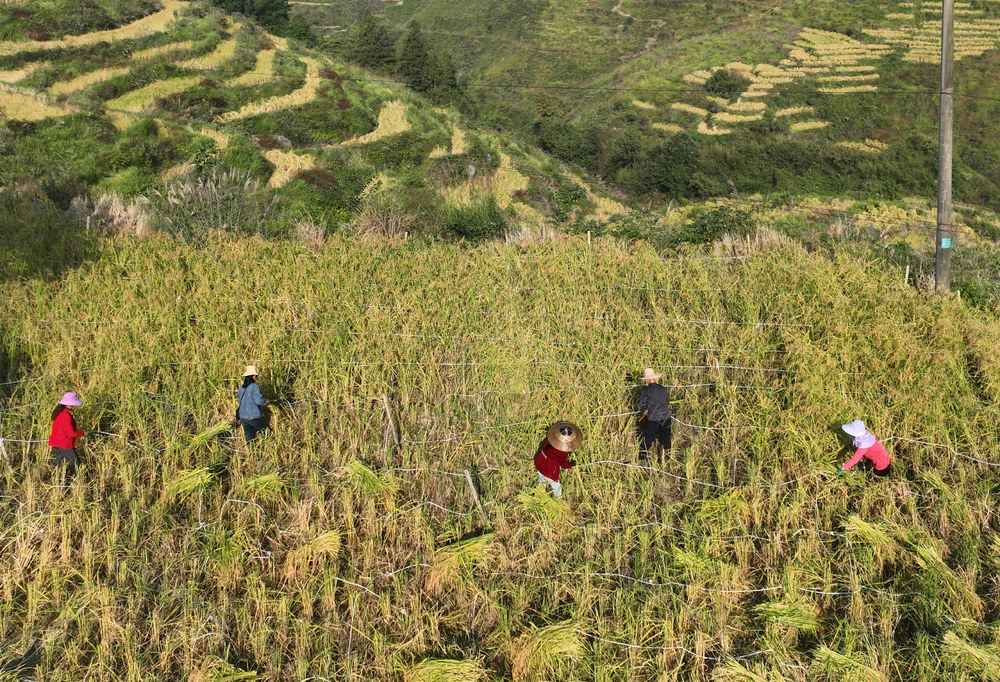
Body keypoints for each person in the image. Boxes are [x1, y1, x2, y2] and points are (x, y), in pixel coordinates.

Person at [534, 422, 581, 499]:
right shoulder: (562, 450)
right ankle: (558, 499)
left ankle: (537, 494)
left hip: (541, 461)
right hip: (550, 469)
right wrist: (571, 464)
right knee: (556, 486)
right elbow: (563, 463)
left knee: (541, 479)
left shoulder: (552, 439)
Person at [48, 392, 87, 476]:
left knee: (61, 466)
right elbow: (71, 433)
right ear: (69, 405)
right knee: (77, 465)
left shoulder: (59, 412)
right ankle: (83, 482)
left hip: (57, 443)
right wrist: (82, 433)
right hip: (64, 443)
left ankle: (60, 484)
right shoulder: (66, 416)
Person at [638, 367, 670, 462]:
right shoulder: (663, 389)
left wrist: (644, 411)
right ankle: (667, 459)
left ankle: (642, 458)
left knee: (647, 439)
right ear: (655, 378)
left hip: (653, 419)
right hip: (666, 418)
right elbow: (667, 402)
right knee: (666, 440)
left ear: (647, 379)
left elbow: (642, 404)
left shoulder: (646, 390)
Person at [237, 365, 269, 444]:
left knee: (249, 436)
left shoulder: (241, 387)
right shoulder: (254, 387)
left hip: (243, 417)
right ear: (253, 376)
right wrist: (266, 401)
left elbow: (239, 400)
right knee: (265, 432)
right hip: (253, 416)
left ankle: (251, 452)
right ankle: (264, 450)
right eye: (256, 376)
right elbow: (258, 400)